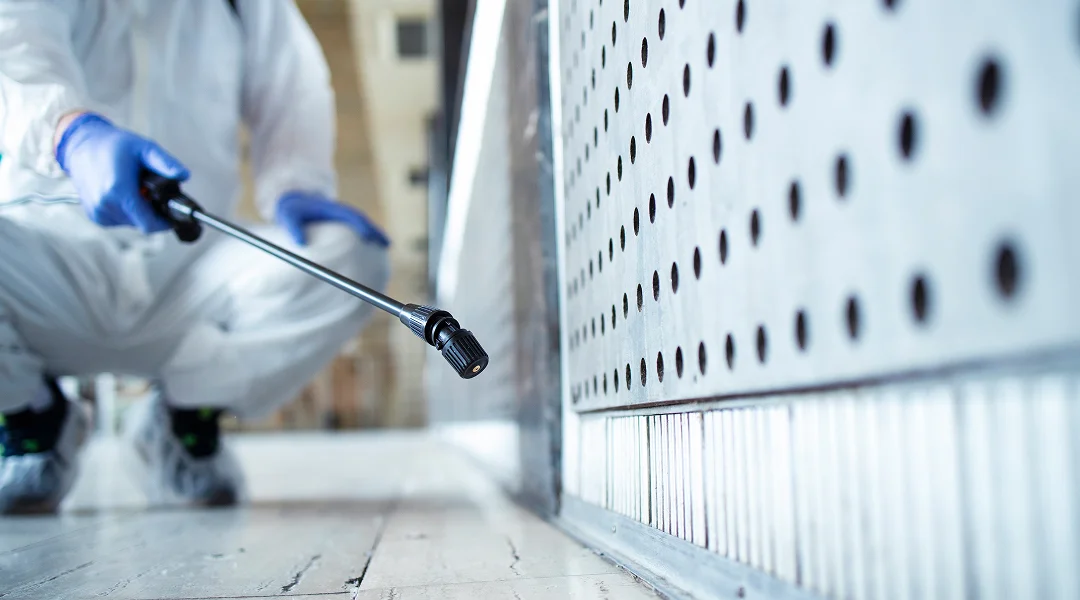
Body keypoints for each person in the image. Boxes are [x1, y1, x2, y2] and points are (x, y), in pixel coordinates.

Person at [0, 0, 391, 513]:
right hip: (48, 267)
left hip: (192, 271)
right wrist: (69, 132)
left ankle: (187, 415)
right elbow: (15, 45)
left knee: (347, 257)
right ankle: (31, 415)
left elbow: (292, 84)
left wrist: (296, 181)